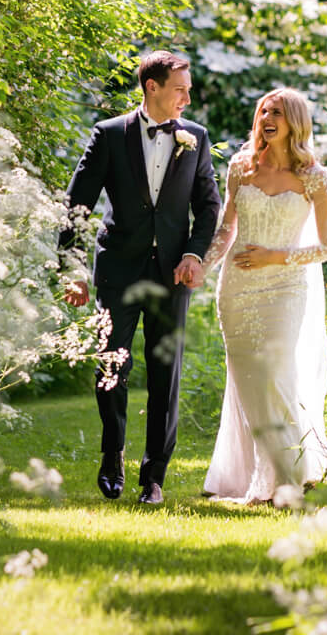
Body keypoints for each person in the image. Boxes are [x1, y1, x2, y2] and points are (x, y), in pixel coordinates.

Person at [60, 50, 222, 505]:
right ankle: (113, 453)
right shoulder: (109, 135)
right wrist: (72, 270)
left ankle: (155, 476)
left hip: (173, 273)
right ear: (152, 87)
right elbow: (76, 206)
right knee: (112, 364)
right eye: (180, 90)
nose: (186, 100)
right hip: (118, 270)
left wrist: (194, 253)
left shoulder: (196, 138)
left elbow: (209, 205)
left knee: (166, 373)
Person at [201, 86, 327, 503]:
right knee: (249, 383)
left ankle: (288, 477)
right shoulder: (242, 167)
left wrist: (275, 257)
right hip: (237, 287)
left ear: (294, 121)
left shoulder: (313, 175)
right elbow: (227, 229)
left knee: (275, 375)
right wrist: (200, 266)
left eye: (276, 111)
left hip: (285, 286)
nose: (267, 118)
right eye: (263, 111)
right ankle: (262, 475)